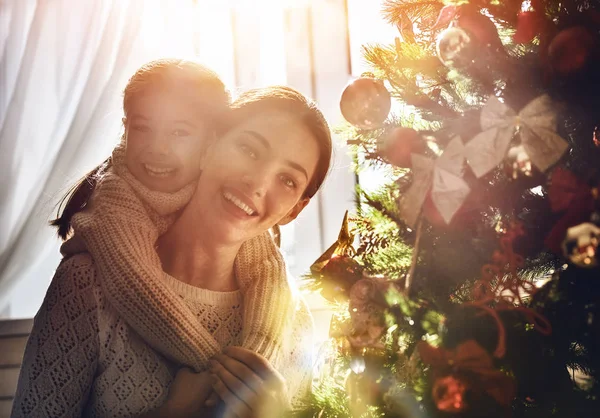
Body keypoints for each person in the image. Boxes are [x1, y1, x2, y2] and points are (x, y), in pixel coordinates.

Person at [12, 83, 333, 417]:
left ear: (296, 209)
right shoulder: (87, 285)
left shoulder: (293, 322)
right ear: (209, 146)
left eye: (288, 180)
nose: (258, 183)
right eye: (250, 150)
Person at [47, 58, 302, 376]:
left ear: (212, 141)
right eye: (143, 128)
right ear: (126, 129)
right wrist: (224, 381)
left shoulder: (226, 204)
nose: (158, 148)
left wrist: (262, 368)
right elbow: (136, 287)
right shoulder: (115, 205)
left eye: (180, 132)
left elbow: (266, 266)